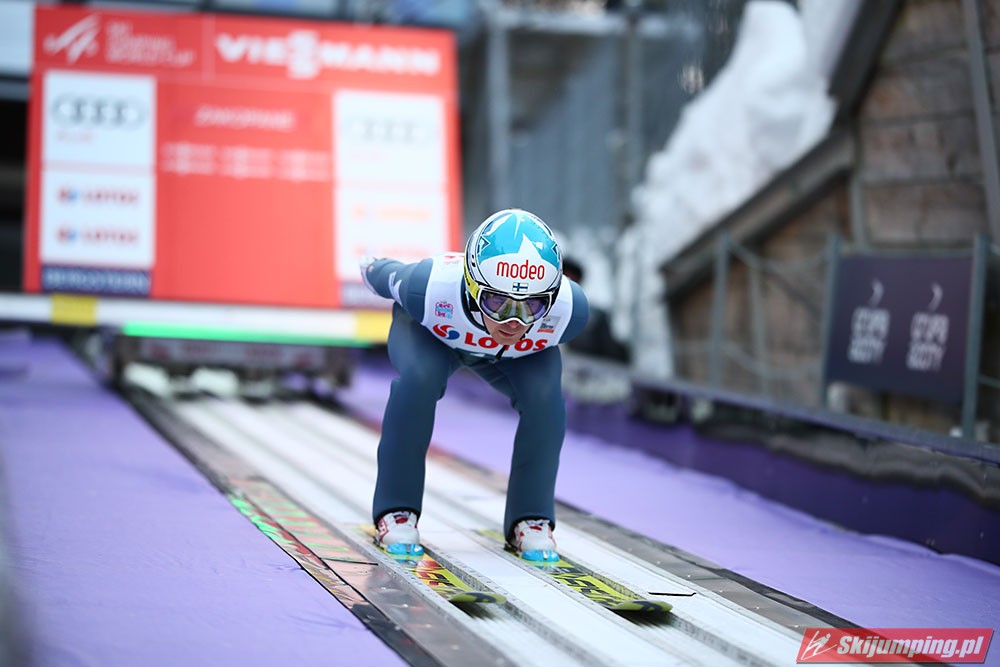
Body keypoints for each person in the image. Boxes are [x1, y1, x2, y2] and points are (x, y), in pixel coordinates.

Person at [360, 208, 590, 562]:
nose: (512, 321)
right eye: (497, 302)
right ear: (469, 286)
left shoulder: (569, 311)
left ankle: (531, 517)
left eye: (531, 306)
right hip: (434, 339)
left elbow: (524, 328)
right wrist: (370, 266)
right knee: (418, 382)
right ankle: (397, 509)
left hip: (516, 355)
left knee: (546, 399)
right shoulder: (429, 287)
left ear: (552, 296)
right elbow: (386, 274)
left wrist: (503, 309)